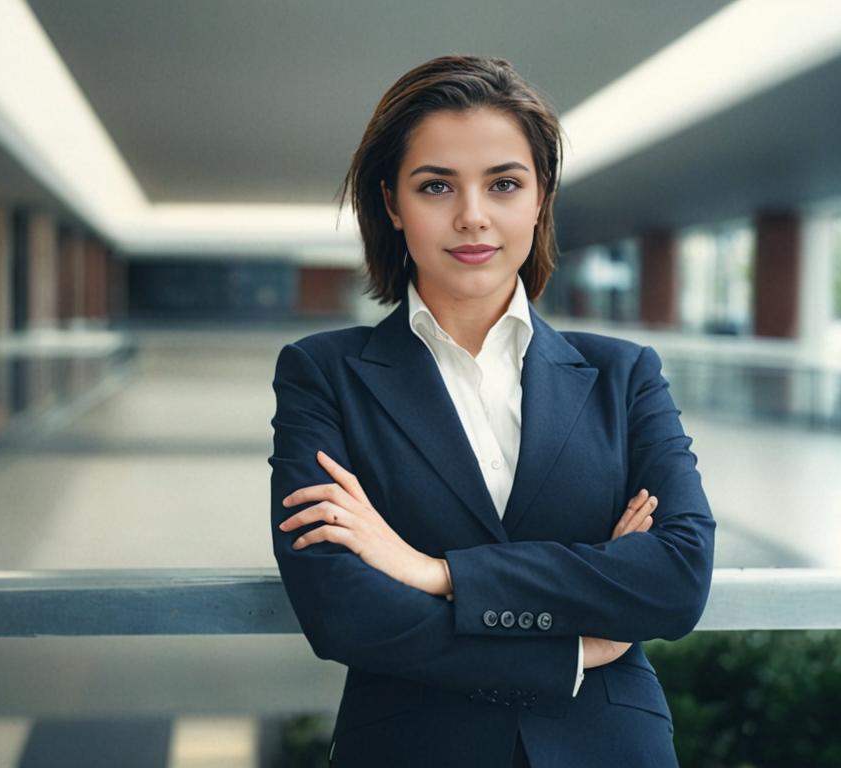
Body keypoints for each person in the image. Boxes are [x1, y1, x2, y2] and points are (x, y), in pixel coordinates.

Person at [268, 54, 715, 767]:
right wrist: (572, 646)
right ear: (391, 204)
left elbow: (676, 577)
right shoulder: (323, 375)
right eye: (436, 185)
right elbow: (340, 609)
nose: (472, 216)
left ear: (540, 198)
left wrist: (434, 573)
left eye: (503, 183)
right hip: (410, 747)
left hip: (607, 748)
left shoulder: (623, 375)